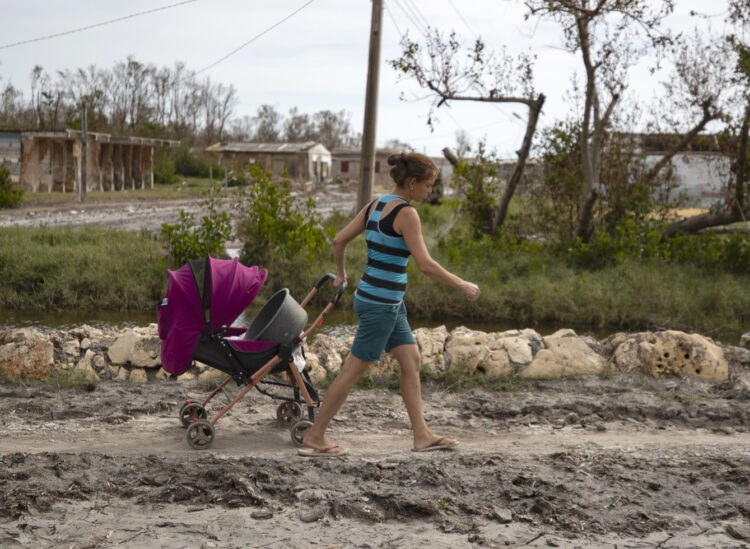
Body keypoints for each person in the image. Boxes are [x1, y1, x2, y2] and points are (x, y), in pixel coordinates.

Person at [298, 152, 481, 457]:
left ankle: (421, 435)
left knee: (411, 361)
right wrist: (462, 284)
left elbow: (338, 241)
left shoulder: (376, 204)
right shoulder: (407, 214)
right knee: (353, 370)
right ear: (411, 183)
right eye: (428, 185)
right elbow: (425, 264)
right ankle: (315, 436)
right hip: (381, 305)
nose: (429, 192)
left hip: (385, 302)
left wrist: (342, 275)